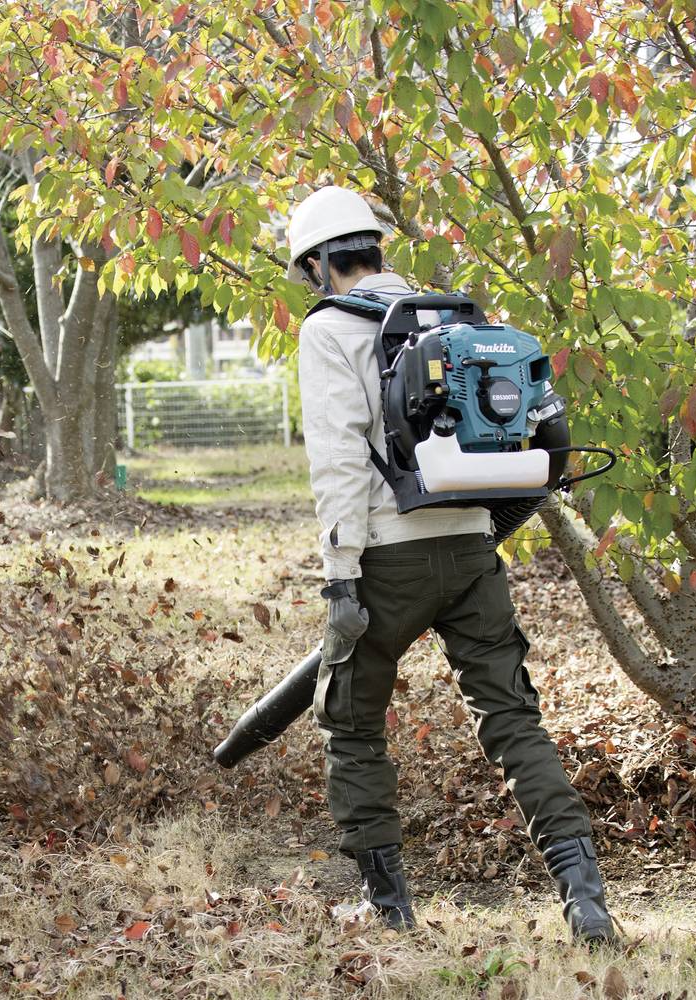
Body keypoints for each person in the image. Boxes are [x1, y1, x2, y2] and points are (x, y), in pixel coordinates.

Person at [287, 185, 617, 942]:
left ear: (318, 264)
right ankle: (585, 896)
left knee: (351, 722)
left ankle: (389, 908)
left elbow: (338, 460)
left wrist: (340, 575)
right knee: (512, 717)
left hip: (385, 555)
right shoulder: (453, 318)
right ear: (375, 248)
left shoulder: (329, 330)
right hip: (471, 545)